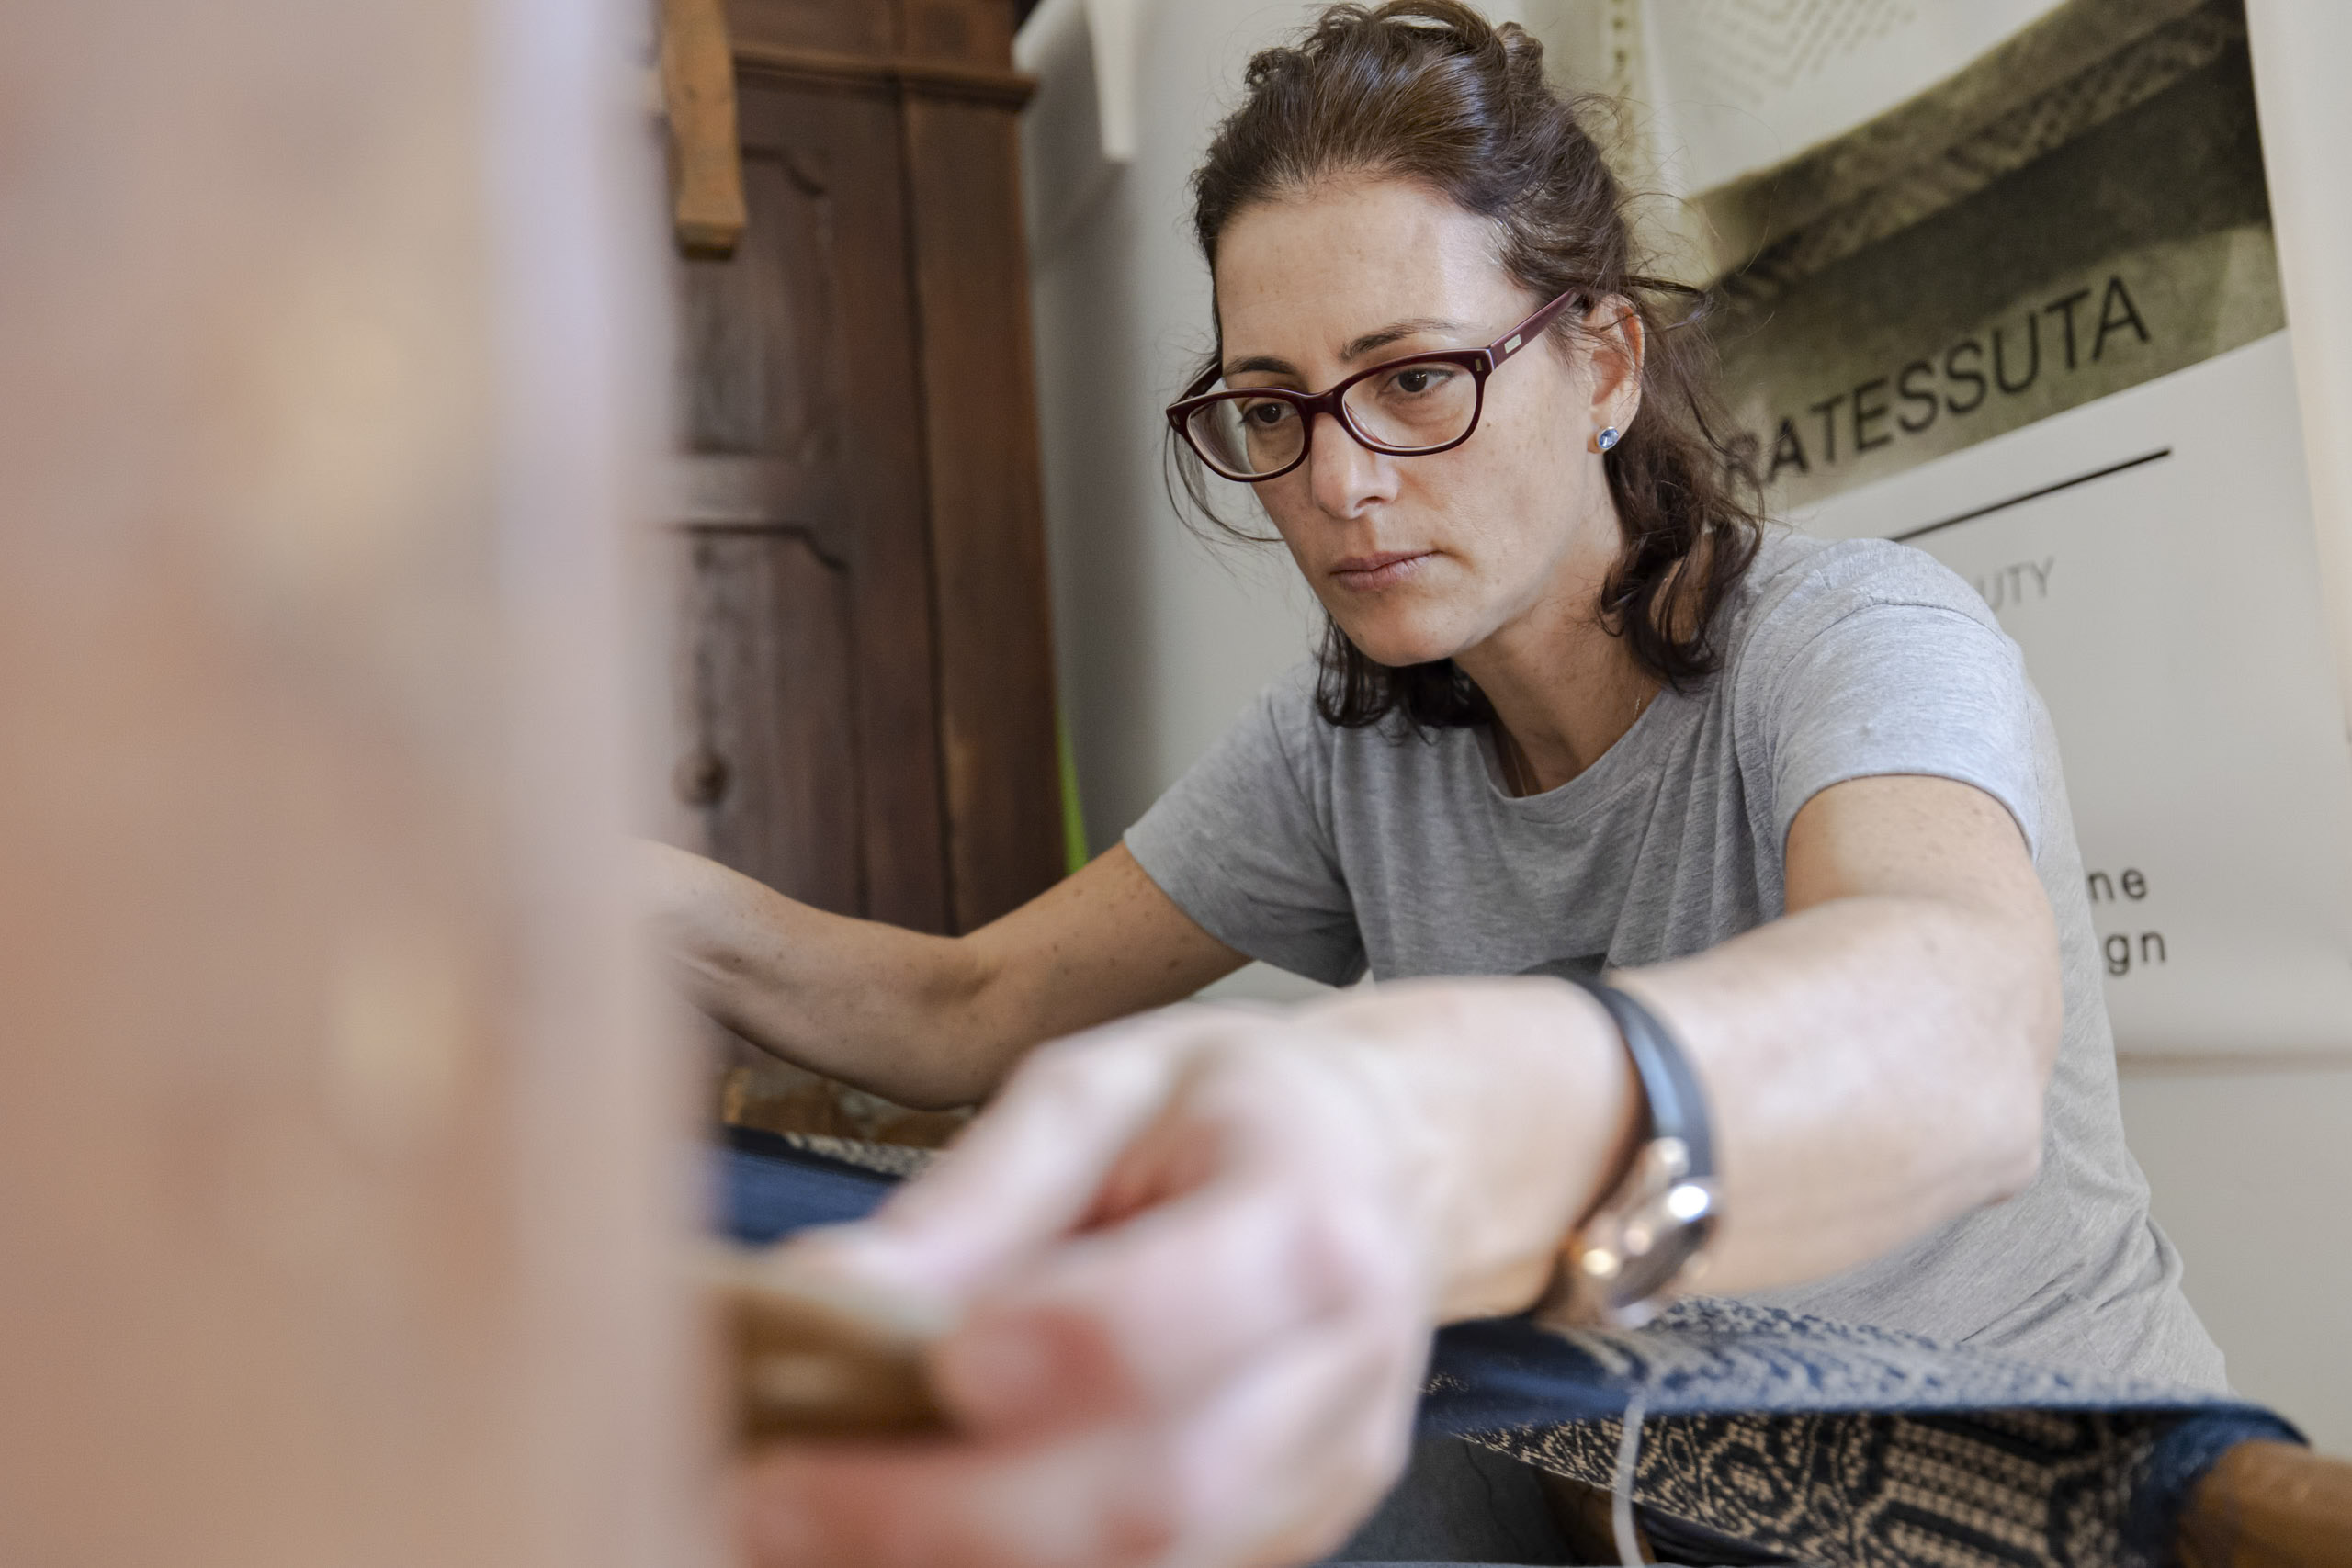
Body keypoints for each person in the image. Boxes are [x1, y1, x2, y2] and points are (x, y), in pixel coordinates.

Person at [646, 5, 2225, 1563]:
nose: (1340, 483)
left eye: (1414, 380)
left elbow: (1953, 1037)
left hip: (2044, 1511)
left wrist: (1421, 1114)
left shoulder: (1854, 638)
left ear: (1602, 361)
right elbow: (964, 1008)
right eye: (1274, 409)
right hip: (1635, 1503)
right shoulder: (1357, 743)